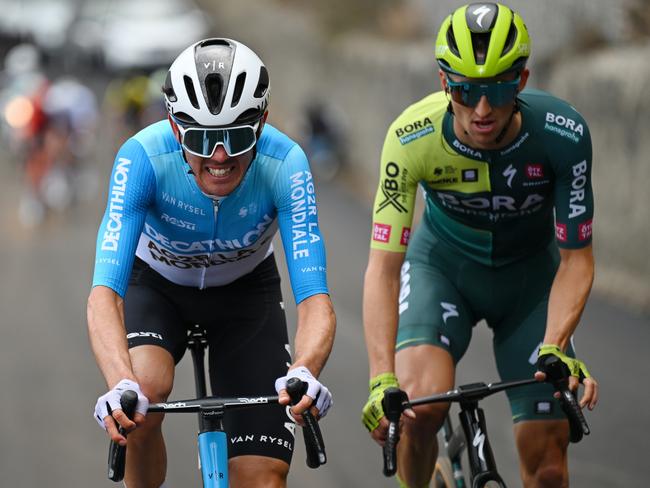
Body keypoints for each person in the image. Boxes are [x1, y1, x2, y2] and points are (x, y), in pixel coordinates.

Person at [361, 3, 598, 487]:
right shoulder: (411, 137)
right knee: (418, 408)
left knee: (549, 469)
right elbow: (384, 268)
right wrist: (380, 378)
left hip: (530, 281)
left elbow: (577, 258)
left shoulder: (563, 135)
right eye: (467, 91)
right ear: (445, 83)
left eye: (497, 89)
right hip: (443, 271)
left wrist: (555, 344)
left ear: (523, 81)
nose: (482, 109)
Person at [89, 38, 336, 488]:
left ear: (261, 123)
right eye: (203, 139)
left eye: (237, 137)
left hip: (245, 295)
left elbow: (315, 298)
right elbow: (104, 294)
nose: (219, 157)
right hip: (158, 287)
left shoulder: (288, 164)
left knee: (262, 478)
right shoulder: (142, 157)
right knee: (143, 396)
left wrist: (305, 368)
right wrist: (119, 380)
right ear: (176, 128)